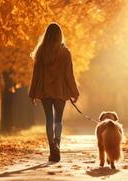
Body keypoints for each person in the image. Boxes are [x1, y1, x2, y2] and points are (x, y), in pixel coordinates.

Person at [29, 23, 79, 162]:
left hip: (45, 90)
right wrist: (75, 92)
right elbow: (69, 75)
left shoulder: (40, 51)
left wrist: (32, 92)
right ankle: (57, 143)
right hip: (60, 90)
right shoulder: (65, 53)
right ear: (59, 35)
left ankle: (52, 146)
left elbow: (36, 75)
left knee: (49, 119)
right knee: (58, 119)